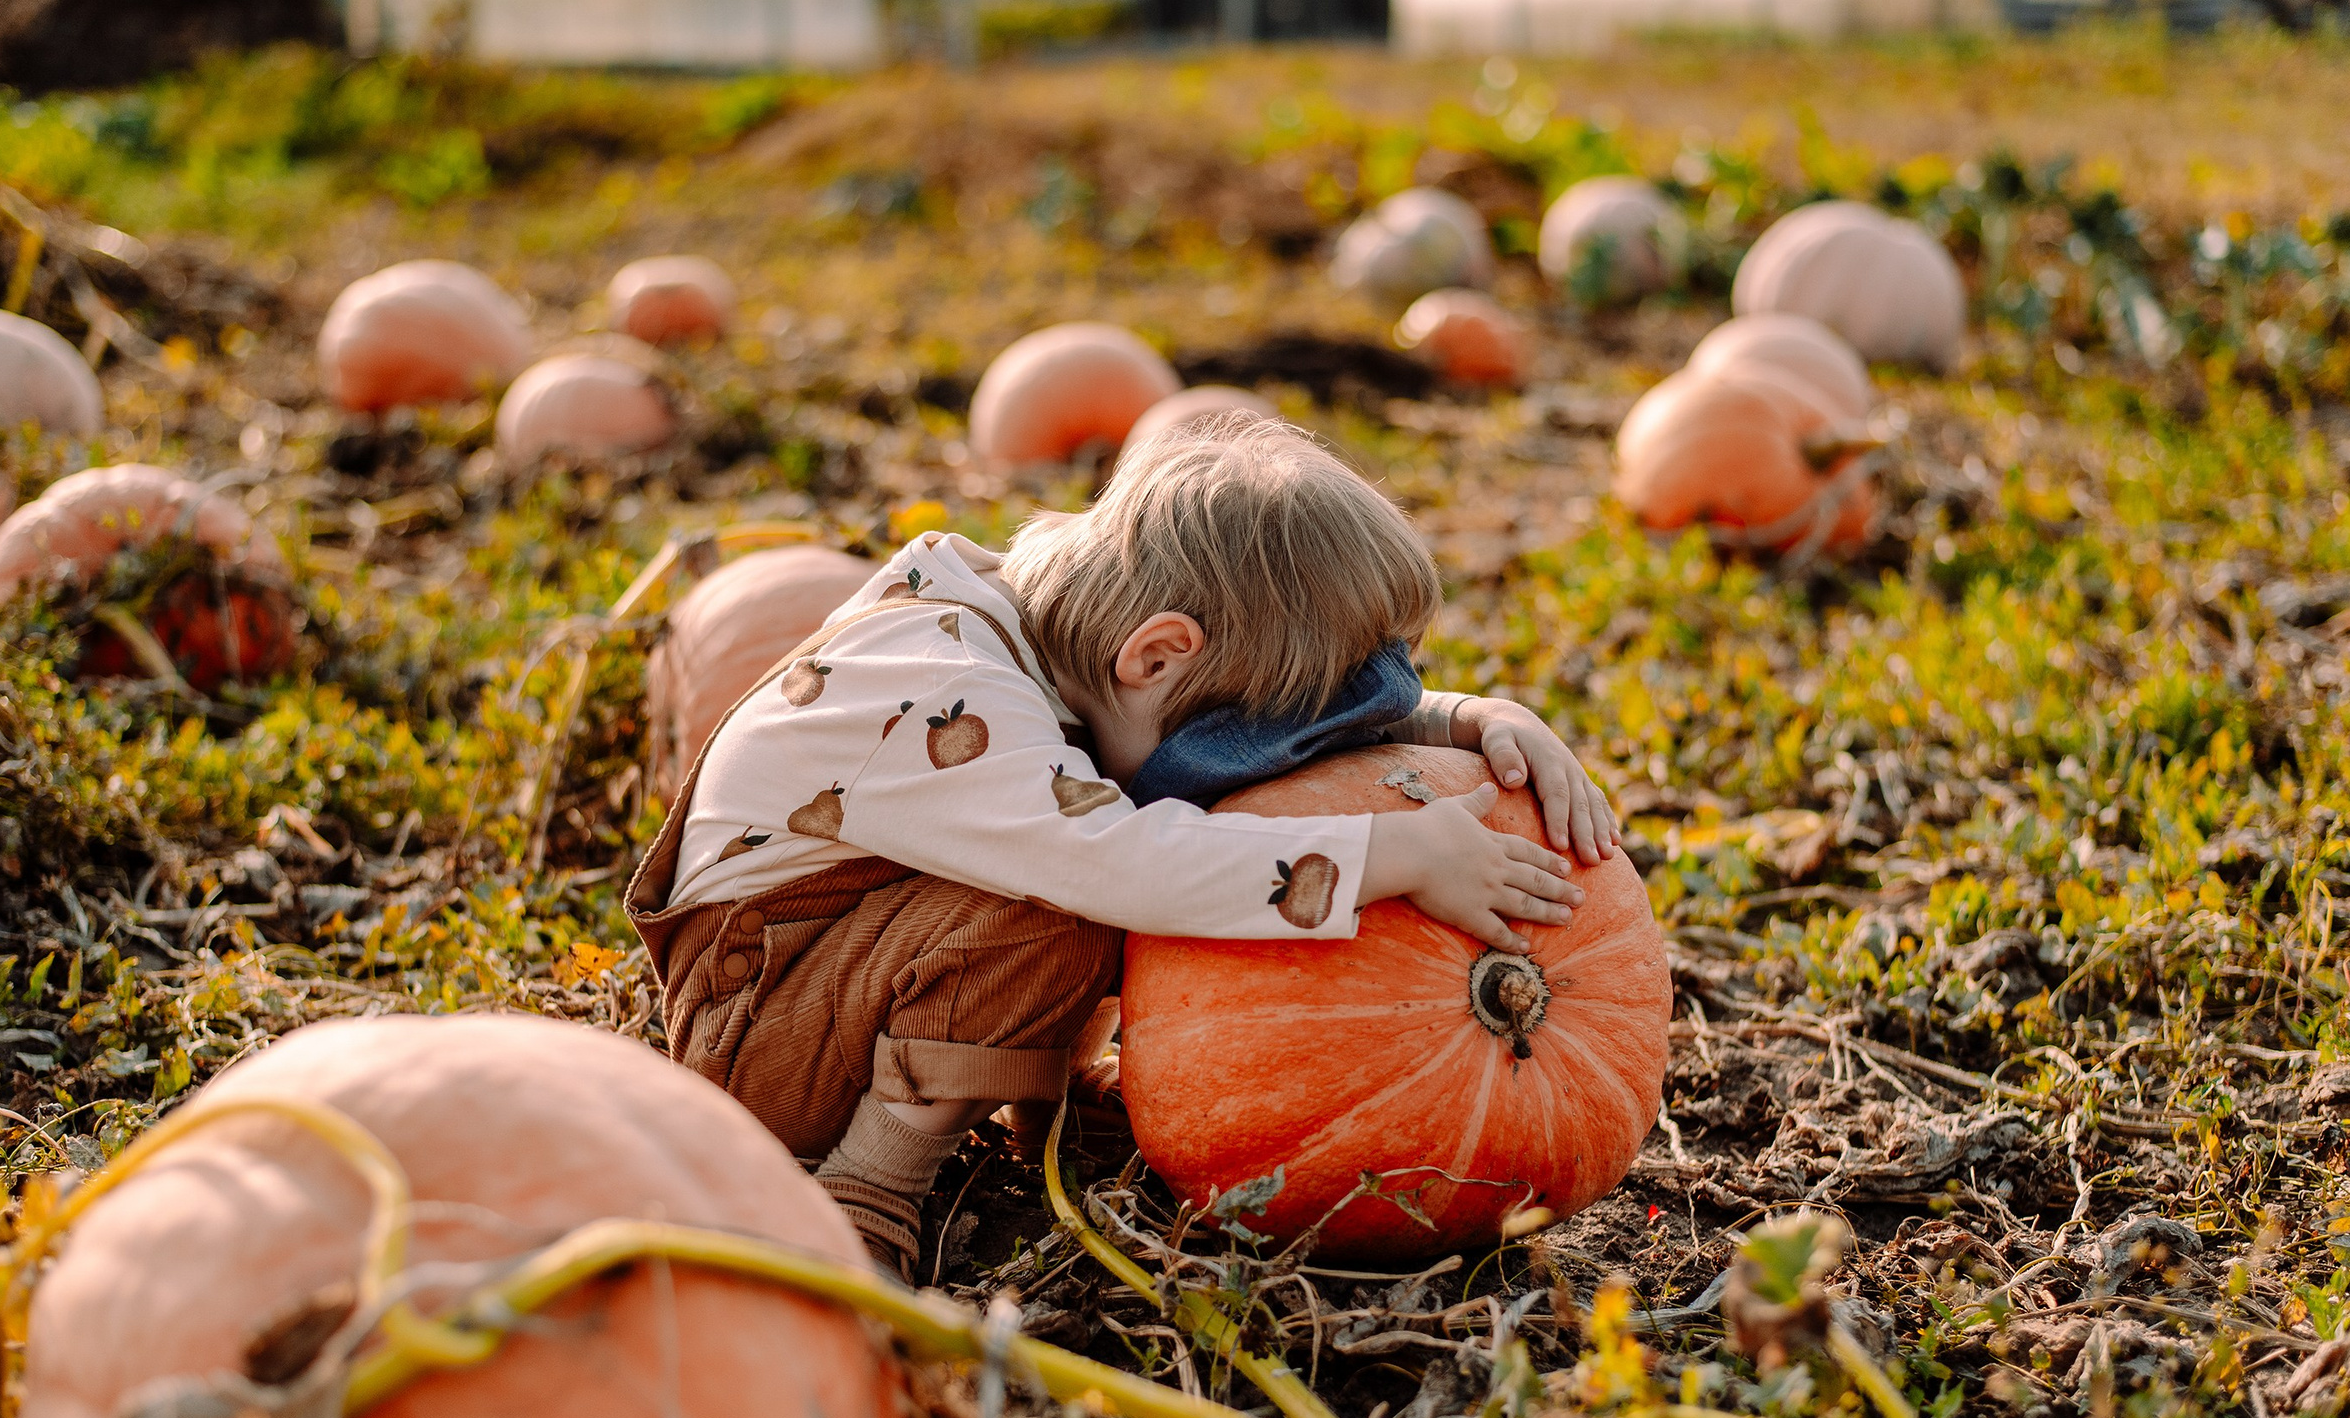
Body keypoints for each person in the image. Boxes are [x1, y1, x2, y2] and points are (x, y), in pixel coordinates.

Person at [626, 413, 1622, 1278]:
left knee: (1131, 859)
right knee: (1090, 891)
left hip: (847, 957)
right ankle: (867, 1185)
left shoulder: (1067, 635)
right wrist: (1389, 855)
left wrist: (1468, 718)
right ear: (1156, 655)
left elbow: (1296, 714)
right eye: (1236, 750)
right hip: (762, 1025)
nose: (1258, 773)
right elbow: (1128, 862)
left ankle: (1032, 1096)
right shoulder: (944, 696)